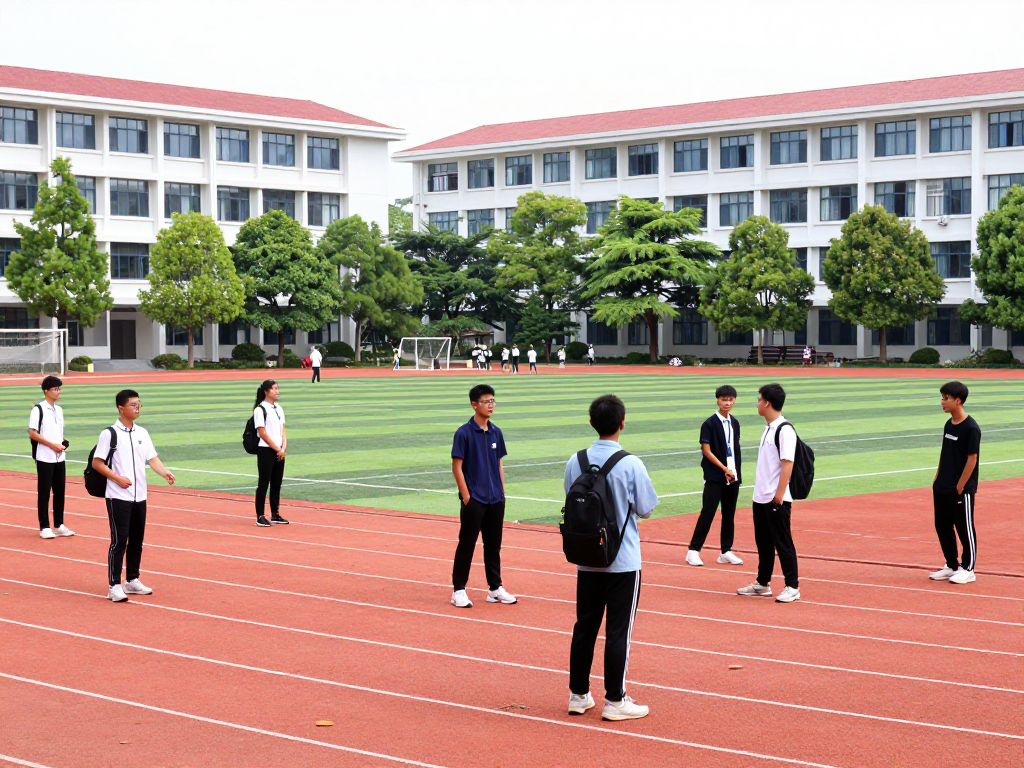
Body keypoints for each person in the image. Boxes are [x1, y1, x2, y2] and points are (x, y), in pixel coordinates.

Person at [565, 394, 658, 722]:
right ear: (622, 423)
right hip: (623, 560)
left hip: (587, 556)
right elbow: (646, 508)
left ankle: (578, 694)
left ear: (591, 422)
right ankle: (615, 699)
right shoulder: (630, 463)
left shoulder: (574, 460)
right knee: (618, 630)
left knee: (584, 626)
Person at [91, 389, 175, 602]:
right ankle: (114, 585)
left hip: (140, 496)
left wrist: (164, 471)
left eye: (139, 404)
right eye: (133, 405)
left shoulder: (142, 433)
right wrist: (117, 478)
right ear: (121, 407)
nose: (137, 408)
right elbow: (97, 463)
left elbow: (152, 458)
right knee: (119, 541)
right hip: (118, 495)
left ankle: (132, 579)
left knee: (137, 540)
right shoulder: (109, 434)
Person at [450, 384, 516, 608]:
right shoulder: (464, 433)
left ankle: (495, 588)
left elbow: (499, 463)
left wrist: (502, 491)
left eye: (493, 401)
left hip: (496, 499)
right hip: (475, 499)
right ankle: (459, 589)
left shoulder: (496, 432)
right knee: (467, 544)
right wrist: (466, 496)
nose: (491, 405)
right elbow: (457, 466)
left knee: (493, 544)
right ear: (474, 404)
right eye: (487, 401)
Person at [737, 383, 800, 603]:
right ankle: (763, 583)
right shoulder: (768, 428)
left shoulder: (785, 430)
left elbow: (787, 463)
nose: (757, 403)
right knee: (763, 542)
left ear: (767, 403)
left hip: (776, 497)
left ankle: (792, 586)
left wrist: (779, 495)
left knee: (783, 542)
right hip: (761, 496)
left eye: (758, 399)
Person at [929, 381, 981, 585]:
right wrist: (937, 477)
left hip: (961, 489)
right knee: (942, 525)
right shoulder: (949, 424)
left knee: (964, 528)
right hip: (942, 485)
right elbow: (945, 454)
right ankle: (952, 564)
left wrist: (960, 486)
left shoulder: (971, 428)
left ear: (957, 400)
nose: (942, 402)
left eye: (945, 398)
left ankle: (968, 568)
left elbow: (972, 459)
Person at [686, 385, 743, 567]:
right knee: (708, 512)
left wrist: (733, 471)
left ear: (735, 400)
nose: (727, 403)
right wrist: (723, 468)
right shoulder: (709, 423)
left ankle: (726, 551)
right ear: (717, 400)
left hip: (732, 475)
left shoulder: (734, 423)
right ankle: (693, 550)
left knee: (729, 514)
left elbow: (734, 448)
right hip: (715, 476)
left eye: (730, 399)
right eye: (723, 399)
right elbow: (706, 450)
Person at [28, 375, 73, 539]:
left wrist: (61, 444)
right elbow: (32, 433)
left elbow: (58, 433)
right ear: (46, 391)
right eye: (55, 389)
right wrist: (52, 445)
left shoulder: (59, 410)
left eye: (59, 388)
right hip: (45, 457)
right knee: (44, 492)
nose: (58, 391)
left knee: (60, 491)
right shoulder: (38, 409)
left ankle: (59, 524)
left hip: (60, 457)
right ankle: (44, 526)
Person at [253, 379, 289, 527]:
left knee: (277, 483)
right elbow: (262, 432)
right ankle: (260, 515)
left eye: (277, 389)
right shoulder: (260, 409)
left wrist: (283, 447)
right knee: (264, 483)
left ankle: (275, 513)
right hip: (266, 450)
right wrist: (276, 448)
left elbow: (283, 429)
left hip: (279, 450)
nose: (277, 391)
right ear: (266, 391)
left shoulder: (279, 408)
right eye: (274, 389)